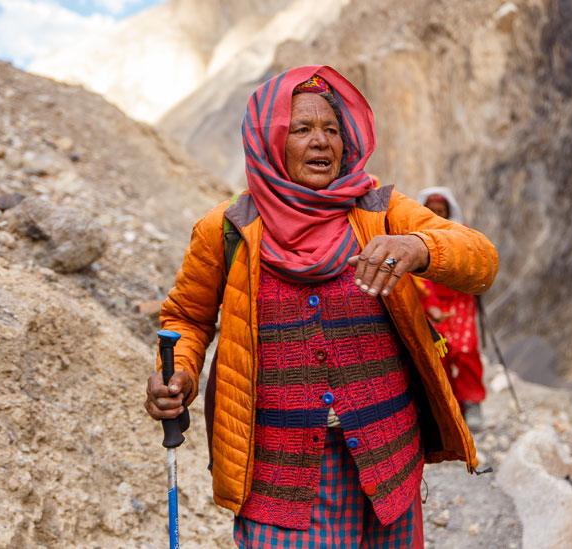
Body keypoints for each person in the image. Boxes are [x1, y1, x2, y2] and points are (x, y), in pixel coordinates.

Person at [143, 66, 498, 547]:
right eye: (302, 129)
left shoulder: (380, 211)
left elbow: (480, 259)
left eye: (332, 129)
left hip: (387, 467)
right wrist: (180, 370)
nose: (321, 142)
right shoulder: (224, 229)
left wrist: (417, 245)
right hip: (278, 481)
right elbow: (187, 318)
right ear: (270, 140)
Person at [414, 187, 488, 432]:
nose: (436, 215)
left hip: (460, 300)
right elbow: (418, 278)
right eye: (431, 211)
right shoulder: (416, 239)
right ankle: (450, 407)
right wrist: (431, 306)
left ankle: (472, 401)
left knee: (465, 349)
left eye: (440, 211)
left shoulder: (461, 235)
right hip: (430, 301)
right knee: (439, 351)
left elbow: (472, 265)